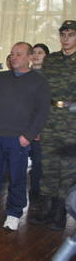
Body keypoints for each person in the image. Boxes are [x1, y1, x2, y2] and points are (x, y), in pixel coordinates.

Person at [0, 42, 50, 231]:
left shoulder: (39, 81)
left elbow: (43, 112)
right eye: (12, 54)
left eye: (19, 54)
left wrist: (29, 136)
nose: (14, 57)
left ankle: (14, 212)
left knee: (17, 177)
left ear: (30, 57)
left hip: (19, 138)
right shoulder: (2, 77)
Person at [30, 20, 76, 230]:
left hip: (71, 121)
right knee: (47, 166)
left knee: (67, 169)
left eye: (71, 35)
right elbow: (42, 91)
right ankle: (46, 209)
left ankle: (59, 214)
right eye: (63, 34)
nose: (65, 39)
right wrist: (38, 123)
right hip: (50, 118)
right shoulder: (52, 60)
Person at [28, 42, 49, 206]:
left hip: (38, 128)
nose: (36, 55)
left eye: (40, 52)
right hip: (19, 125)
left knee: (38, 164)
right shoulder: (23, 74)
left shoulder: (50, 77)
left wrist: (39, 128)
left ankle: (35, 196)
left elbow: (47, 106)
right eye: (33, 52)